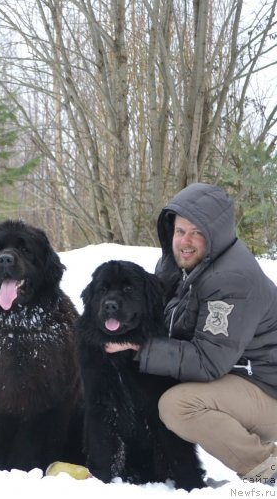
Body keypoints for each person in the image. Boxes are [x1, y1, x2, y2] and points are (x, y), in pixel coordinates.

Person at [106, 183, 277, 486]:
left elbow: (208, 360)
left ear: (216, 235)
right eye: (180, 231)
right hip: (240, 378)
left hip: (266, 389)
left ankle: (267, 470)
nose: (185, 241)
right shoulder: (178, 265)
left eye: (196, 232)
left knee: (178, 406)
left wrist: (139, 348)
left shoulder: (232, 280)